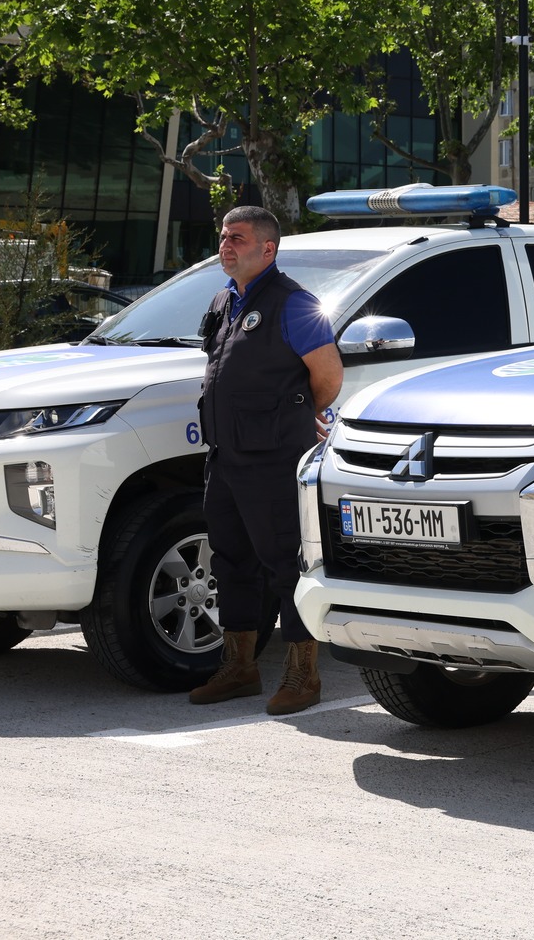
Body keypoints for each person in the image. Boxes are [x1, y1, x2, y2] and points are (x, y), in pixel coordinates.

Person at [187, 205, 342, 714]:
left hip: (273, 458)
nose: (225, 245)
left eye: (237, 237)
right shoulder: (224, 299)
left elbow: (328, 376)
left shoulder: (293, 303)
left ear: (268, 248)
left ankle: (303, 674)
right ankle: (239, 668)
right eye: (223, 236)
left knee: (285, 563)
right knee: (231, 560)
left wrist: (295, 415)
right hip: (225, 455)